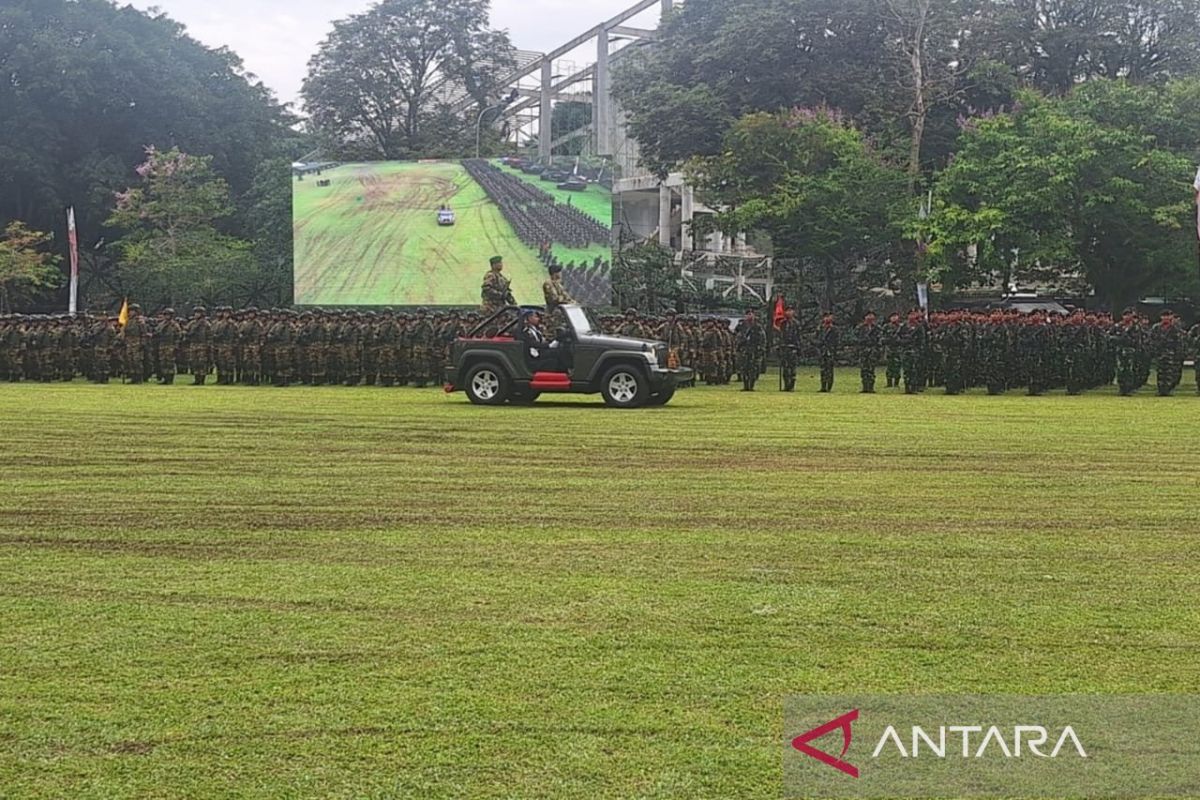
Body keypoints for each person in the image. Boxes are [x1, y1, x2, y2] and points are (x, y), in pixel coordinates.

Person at [1150, 309, 1184, 397]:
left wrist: (1178, 354)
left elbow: (1179, 342)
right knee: (1160, 372)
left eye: (1168, 316)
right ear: (1161, 317)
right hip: (1160, 353)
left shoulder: (1175, 328)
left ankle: (1168, 390)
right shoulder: (1156, 327)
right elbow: (1151, 339)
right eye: (1164, 316)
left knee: (1170, 372)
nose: (1166, 318)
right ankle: (1161, 390)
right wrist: (1154, 350)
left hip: (1171, 353)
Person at [734, 309, 764, 392]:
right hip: (744, 349)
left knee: (753, 368)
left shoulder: (757, 326)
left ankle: (751, 386)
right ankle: (745, 385)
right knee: (744, 368)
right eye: (747, 314)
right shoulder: (741, 325)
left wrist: (760, 348)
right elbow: (737, 336)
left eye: (751, 314)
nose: (749, 316)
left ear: (754, 315)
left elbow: (762, 338)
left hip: (754, 349)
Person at [854, 311, 882, 393]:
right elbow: (855, 338)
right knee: (864, 369)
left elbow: (879, 339)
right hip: (863, 350)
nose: (870, 317)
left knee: (871, 369)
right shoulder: (860, 328)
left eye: (871, 315)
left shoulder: (877, 328)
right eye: (868, 315)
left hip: (872, 350)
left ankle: (871, 387)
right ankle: (865, 387)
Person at [816, 312, 839, 393]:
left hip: (830, 351)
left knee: (830, 369)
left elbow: (836, 342)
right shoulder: (820, 329)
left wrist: (834, 351)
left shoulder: (834, 329)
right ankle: (823, 386)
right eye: (826, 317)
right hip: (822, 351)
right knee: (823, 369)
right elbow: (817, 339)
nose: (827, 318)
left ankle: (829, 386)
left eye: (829, 317)